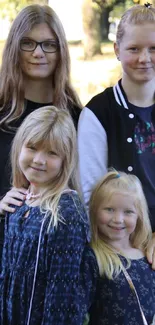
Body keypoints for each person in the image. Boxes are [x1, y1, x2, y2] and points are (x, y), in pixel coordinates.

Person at [0, 4, 82, 265]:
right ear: (14, 48)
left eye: (49, 44)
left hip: (53, 257)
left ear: (61, 52)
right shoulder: (1, 112)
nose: (38, 53)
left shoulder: (77, 116)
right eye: (28, 43)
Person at [0, 106, 89, 325]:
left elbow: (63, 295)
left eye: (52, 153)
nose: (39, 160)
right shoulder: (19, 201)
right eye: (32, 148)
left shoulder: (66, 212)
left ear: (65, 160)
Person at [78, 4, 155, 233]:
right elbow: (92, 197)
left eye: (153, 48)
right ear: (117, 50)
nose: (145, 58)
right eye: (133, 49)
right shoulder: (98, 114)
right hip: (118, 242)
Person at [81, 170, 155, 324]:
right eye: (109, 209)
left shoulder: (147, 256)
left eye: (128, 212)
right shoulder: (91, 258)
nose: (118, 219)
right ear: (95, 211)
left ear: (139, 216)